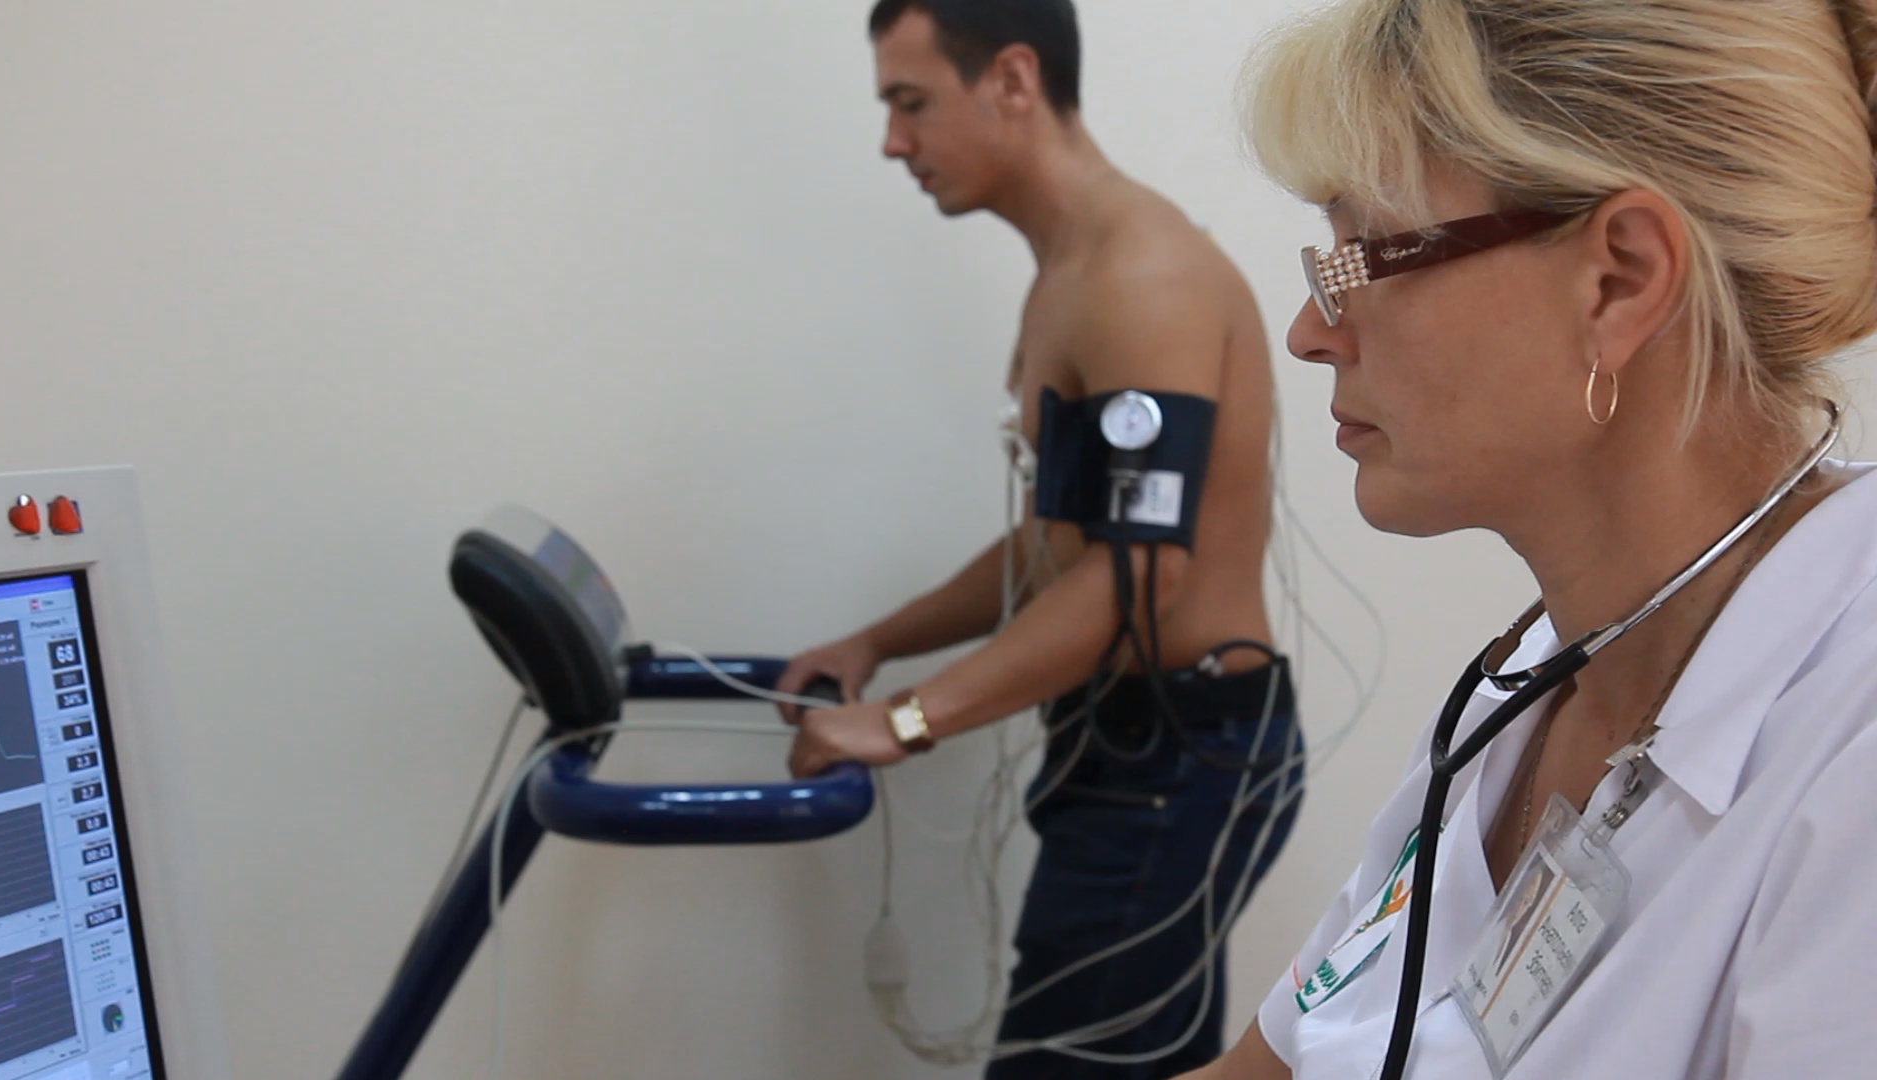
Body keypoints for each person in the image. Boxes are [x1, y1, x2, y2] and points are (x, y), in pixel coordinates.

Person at [1184, 1, 1877, 1078]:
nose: (1311, 331)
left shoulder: (1850, 751)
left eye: (1362, 255)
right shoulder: (1523, 689)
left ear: (1620, 281)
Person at [778, 1, 1302, 1076]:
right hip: (1130, 745)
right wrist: (878, 643)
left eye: (911, 103)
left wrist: (909, 720)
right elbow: (1056, 547)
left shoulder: (1140, 276)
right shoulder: (1068, 270)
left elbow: (1140, 581)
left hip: (1184, 752)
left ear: (1013, 80)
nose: (893, 143)